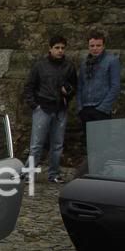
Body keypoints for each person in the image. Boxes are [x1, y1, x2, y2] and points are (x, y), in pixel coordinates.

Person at [23, 35, 77, 184]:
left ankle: (54, 174)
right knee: (36, 144)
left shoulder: (69, 66)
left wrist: (68, 92)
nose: (60, 51)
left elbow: (74, 86)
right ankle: (28, 174)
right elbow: (29, 86)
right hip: (43, 108)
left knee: (57, 144)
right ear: (50, 48)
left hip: (60, 109)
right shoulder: (40, 66)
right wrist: (35, 105)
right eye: (57, 48)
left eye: (62, 48)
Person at [77, 29, 121, 145]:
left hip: (101, 109)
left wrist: (103, 108)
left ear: (103, 45)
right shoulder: (84, 63)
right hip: (86, 109)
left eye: (98, 45)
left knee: (103, 144)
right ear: (88, 46)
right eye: (92, 45)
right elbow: (80, 85)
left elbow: (115, 86)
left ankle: (102, 164)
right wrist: (80, 107)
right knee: (89, 144)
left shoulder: (112, 61)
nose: (95, 48)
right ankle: (91, 163)